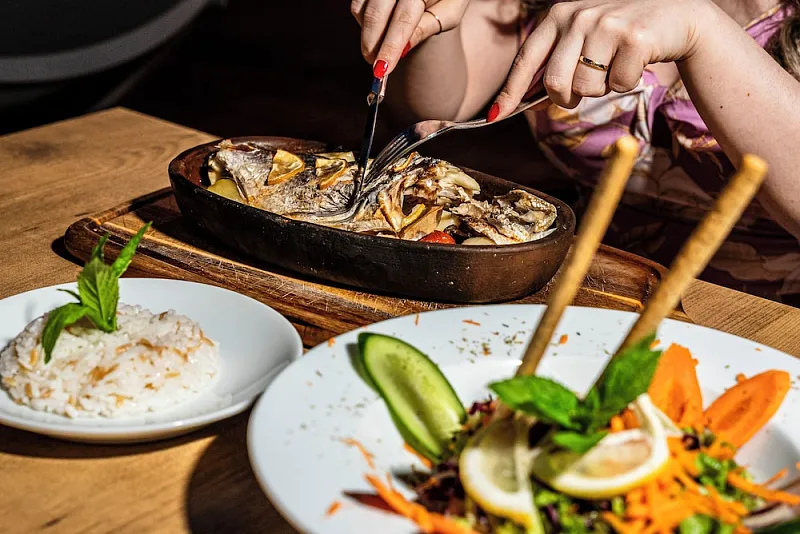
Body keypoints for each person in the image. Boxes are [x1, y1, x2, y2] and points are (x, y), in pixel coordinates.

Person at [349, 0, 800, 304]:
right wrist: (429, 23)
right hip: (586, 292)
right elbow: (439, 106)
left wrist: (702, 29)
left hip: (760, 322)